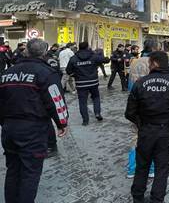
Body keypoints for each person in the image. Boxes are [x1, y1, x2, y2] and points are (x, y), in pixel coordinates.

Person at [0, 38, 69, 203]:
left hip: (9, 129)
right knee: (30, 173)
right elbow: (56, 100)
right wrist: (62, 123)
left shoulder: (7, 73)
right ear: (44, 53)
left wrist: (5, 123)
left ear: (26, 51)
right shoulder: (46, 73)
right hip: (33, 130)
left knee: (13, 169)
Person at [125, 51, 169, 203]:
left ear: (154, 63)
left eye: (149, 63)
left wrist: (141, 124)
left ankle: (138, 197)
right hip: (166, 132)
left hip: (146, 131)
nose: (148, 66)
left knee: (142, 166)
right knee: (162, 169)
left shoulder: (140, 83)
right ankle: (157, 199)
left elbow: (129, 113)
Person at [126, 39, 159, 179]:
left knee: (135, 136)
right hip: (151, 106)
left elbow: (130, 86)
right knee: (151, 137)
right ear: (154, 48)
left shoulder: (134, 62)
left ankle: (132, 169)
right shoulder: (154, 63)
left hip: (135, 105)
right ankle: (151, 168)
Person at [66, 42, 109, 126]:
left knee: (82, 102)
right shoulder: (93, 56)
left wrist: (75, 75)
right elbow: (106, 60)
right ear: (88, 47)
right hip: (93, 82)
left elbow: (68, 71)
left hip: (81, 84)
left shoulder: (74, 58)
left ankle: (85, 120)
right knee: (96, 97)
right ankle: (97, 113)